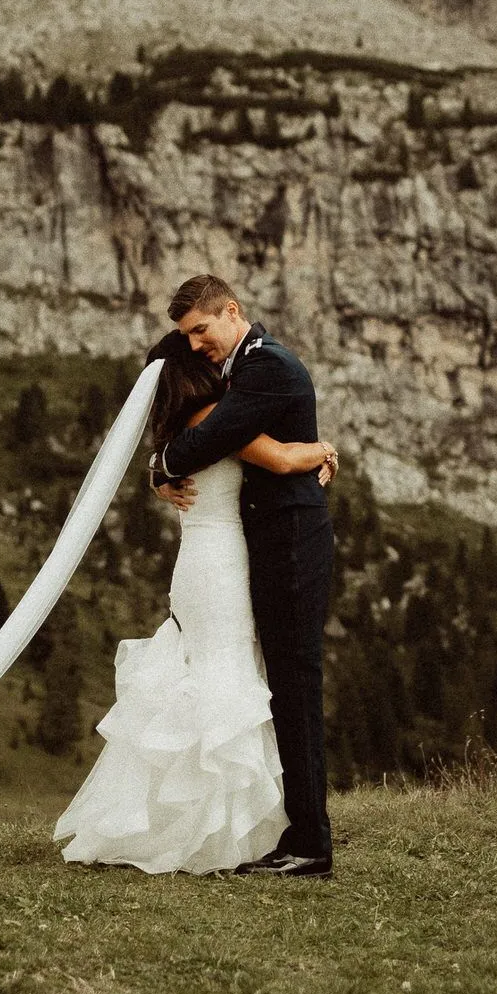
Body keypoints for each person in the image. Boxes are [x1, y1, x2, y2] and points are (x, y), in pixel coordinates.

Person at [53, 331, 336, 875]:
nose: (215, 358)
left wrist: (160, 467)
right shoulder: (212, 419)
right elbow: (277, 459)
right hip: (221, 566)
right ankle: (216, 830)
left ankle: (198, 820)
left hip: (204, 562)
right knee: (224, 677)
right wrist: (324, 449)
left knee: (209, 674)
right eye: (203, 351)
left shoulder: (182, 425)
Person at [151, 275, 337, 880]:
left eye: (201, 329)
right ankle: (296, 829)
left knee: (294, 682)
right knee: (281, 682)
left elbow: (208, 440)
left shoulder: (270, 367)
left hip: (289, 546)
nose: (197, 344)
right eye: (188, 337)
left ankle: (310, 842)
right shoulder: (241, 368)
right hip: (263, 544)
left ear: (232, 311)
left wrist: (163, 463)